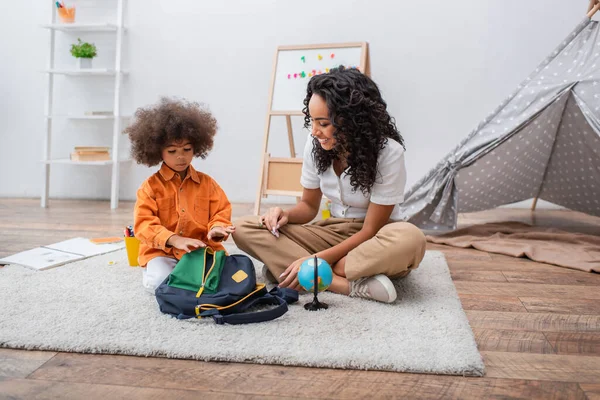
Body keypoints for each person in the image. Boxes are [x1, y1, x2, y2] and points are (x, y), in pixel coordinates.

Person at [233, 67, 426, 303]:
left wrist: (315, 259)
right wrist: (284, 214)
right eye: (312, 121)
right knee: (244, 227)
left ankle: (302, 271)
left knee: (411, 238)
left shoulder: (389, 153)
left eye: (323, 123)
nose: (315, 131)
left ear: (353, 122)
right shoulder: (314, 145)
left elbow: (369, 231)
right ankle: (341, 283)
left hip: (375, 237)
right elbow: (308, 207)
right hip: (331, 231)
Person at [126, 97, 235, 293]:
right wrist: (174, 240)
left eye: (187, 149)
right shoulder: (150, 187)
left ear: (197, 147)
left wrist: (217, 228)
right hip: (162, 252)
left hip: (199, 250)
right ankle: (155, 271)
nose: (181, 156)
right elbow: (143, 225)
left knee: (224, 278)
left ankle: (189, 274)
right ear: (157, 151)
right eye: (172, 151)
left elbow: (221, 211)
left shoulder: (207, 184)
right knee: (159, 282)